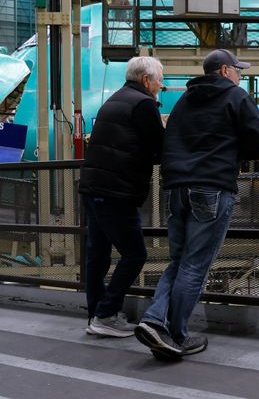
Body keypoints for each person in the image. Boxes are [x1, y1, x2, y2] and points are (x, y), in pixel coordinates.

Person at [134, 49, 259, 359]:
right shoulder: (236, 96)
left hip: (175, 188)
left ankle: (155, 321)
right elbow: (258, 141)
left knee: (179, 261)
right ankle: (177, 336)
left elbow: (169, 140)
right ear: (224, 71)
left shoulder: (184, 101)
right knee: (194, 266)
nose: (240, 75)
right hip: (212, 186)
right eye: (237, 70)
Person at [79, 56, 165, 337]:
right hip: (116, 191)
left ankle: (96, 315)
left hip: (93, 187)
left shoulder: (115, 99)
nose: (160, 87)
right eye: (159, 81)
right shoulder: (143, 104)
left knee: (98, 256)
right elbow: (160, 148)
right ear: (146, 80)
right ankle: (105, 315)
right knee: (135, 254)